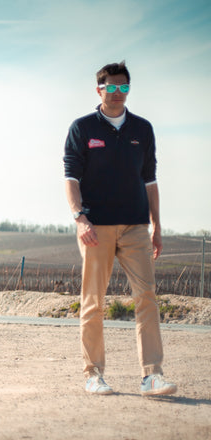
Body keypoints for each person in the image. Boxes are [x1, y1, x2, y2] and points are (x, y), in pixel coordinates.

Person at [63, 61, 177, 396]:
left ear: (129, 90)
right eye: (111, 87)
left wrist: (156, 225)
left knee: (146, 297)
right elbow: (70, 179)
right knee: (93, 301)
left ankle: (152, 375)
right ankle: (93, 374)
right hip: (95, 227)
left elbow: (150, 181)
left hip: (136, 226)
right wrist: (80, 218)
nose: (117, 93)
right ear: (99, 89)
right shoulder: (82, 128)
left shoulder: (142, 129)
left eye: (123, 87)